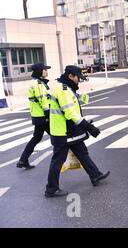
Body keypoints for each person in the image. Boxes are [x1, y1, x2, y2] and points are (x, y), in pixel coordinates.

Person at [45, 66, 109, 198]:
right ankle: (51, 189)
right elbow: (70, 113)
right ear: (70, 76)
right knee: (58, 160)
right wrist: (88, 126)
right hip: (62, 132)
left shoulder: (66, 88)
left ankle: (95, 175)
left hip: (69, 131)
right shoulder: (63, 90)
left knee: (82, 153)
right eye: (77, 78)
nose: (78, 81)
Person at [17, 62, 52, 169]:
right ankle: (62, 159)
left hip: (37, 116)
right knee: (57, 137)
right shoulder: (38, 84)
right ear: (39, 71)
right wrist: (48, 115)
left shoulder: (38, 83)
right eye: (44, 69)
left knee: (36, 138)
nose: (46, 71)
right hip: (42, 116)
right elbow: (43, 101)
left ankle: (23, 160)